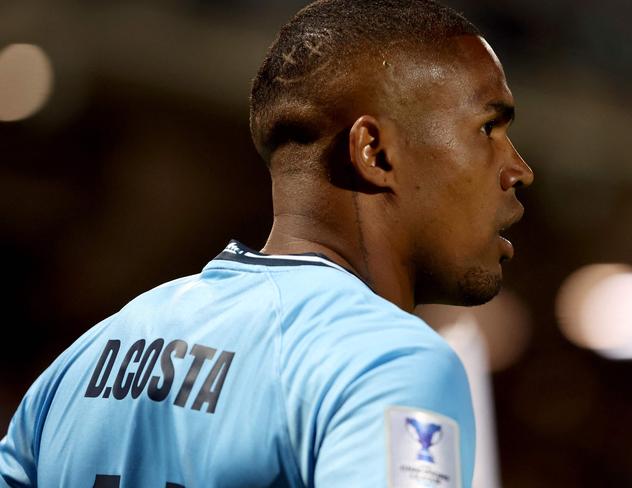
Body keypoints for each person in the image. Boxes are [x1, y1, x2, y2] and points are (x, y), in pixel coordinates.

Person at [0, 0, 533, 486]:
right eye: (489, 128)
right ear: (374, 151)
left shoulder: (82, 362)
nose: (519, 169)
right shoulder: (390, 362)